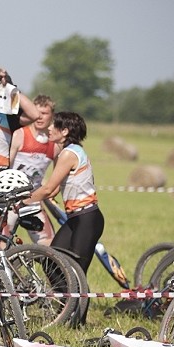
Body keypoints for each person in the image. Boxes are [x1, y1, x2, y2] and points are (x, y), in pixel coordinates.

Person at [20, 111, 104, 323]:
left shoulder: (69, 154)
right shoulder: (67, 152)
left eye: (53, 126)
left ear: (64, 131)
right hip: (75, 219)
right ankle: (65, 311)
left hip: (87, 219)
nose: (48, 128)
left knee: (77, 272)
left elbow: (48, 189)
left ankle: (77, 322)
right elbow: (54, 189)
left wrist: (21, 201)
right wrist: (28, 194)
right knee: (51, 262)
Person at [7, 94, 60, 245]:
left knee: (50, 245)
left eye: (45, 113)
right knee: (1, 245)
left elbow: (57, 177)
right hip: (10, 200)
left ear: (52, 116)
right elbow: (5, 168)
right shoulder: (20, 134)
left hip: (33, 201)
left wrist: (48, 194)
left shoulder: (54, 144)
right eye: (38, 113)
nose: (40, 117)